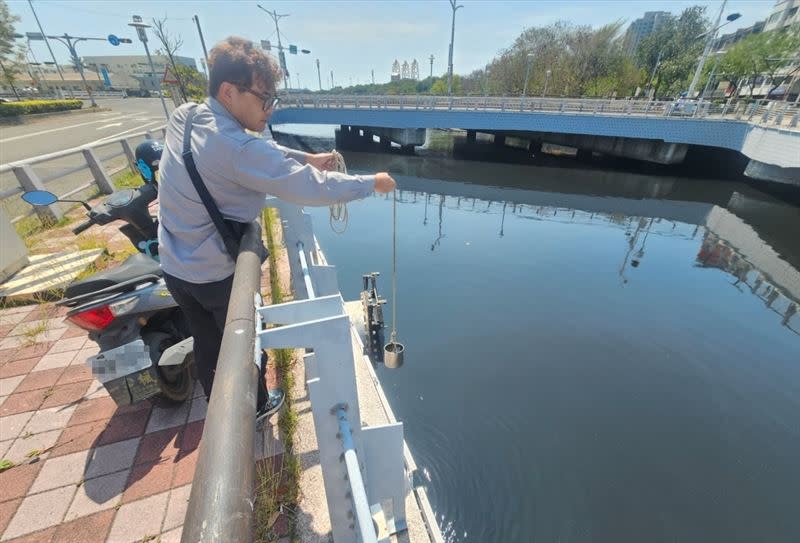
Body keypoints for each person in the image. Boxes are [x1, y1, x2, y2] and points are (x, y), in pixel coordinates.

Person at [157, 36, 396, 422]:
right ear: (229, 92)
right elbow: (307, 187)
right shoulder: (237, 148)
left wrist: (308, 157)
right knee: (245, 343)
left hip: (174, 265)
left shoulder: (186, 115)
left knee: (206, 342)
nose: (270, 108)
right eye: (264, 98)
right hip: (213, 273)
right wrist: (372, 183)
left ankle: (215, 408)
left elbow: (256, 152)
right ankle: (254, 410)